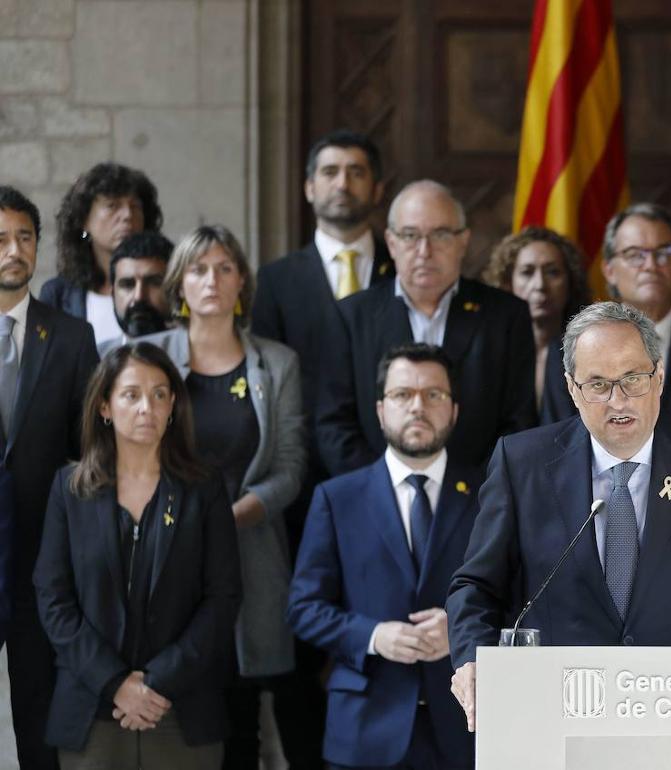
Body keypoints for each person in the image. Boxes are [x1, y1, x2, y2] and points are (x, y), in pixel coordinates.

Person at [446, 301, 671, 731]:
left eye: (633, 379)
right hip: (560, 713)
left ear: (660, 377)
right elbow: (476, 585)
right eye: (597, 384)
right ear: (572, 389)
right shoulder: (522, 462)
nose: (619, 401)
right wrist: (470, 660)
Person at [251, 127, 392, 765]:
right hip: (301, 502)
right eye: (330, 171)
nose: (343, 182)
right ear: (308, 188)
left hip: (397, 493)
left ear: (377, 188)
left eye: (357, 171)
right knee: (303, 658)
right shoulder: (275, 283)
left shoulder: (404, 271)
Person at [141, 224, 307, 767]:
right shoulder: (146, 355)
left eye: (224, 268)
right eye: (197, 269)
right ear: (178, 285)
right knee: (170, 715)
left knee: (241, 723)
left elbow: (289, 468)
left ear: (242, 283)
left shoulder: (276, 363)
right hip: (161, 555)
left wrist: (222, 521)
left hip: (249, 553)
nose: (211, 280)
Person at [33, 342, 242, 768]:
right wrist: (115, 683)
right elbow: (53, 599)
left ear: (173, 408)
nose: (147, 406)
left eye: (160, 394)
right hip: (93, 712)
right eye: (131, 394)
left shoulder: (204, 488)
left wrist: (157, 683)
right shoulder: (69, 489)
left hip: (181, 711)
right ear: (105, 406)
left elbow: (223, 598)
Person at [289, 343, 481, 770]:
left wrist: (461, 632)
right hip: (363, 731)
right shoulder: (336, 498)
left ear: (453, 410)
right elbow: (303, 608)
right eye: (403, 395)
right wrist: (375, 636)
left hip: (466, 727)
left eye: (434, 395)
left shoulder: (491, 496)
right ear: (380, 410)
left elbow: (523, 597)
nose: (418, 406)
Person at [317, 180, 537, 474]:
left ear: (463, 241)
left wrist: (476, 497)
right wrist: (385, 493)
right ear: (391, 243)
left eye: (440, 234)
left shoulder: (506, 316)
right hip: (379, 505)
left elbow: (518, 424)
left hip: (480, 501)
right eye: (410, 235)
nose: (424, 250)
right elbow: (335, 426)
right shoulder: (350, 317)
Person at [0, 186, 100, 770]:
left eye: (25, 237)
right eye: (1, 239)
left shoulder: (69, 336)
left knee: (41, 721)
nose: (14, 250)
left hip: (42, 561)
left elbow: (85, 454)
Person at [542, 202, 671, 423]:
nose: (650, 265)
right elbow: (560, 439)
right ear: (609, 270)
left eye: (663, 252)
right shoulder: (569, 347)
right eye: (635, 254)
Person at [42, 162, 163, 347]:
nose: (127, 215)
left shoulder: (169, 283)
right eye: (112, 206)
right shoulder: (58, 295)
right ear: (84, 221)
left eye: (135, 206)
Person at [482, 226, 590, 409]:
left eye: (552, 272)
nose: (540, 285)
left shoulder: (588, 350)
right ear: (508, 282)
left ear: (571, 282)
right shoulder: (489, 352)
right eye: (527, 272)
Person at [98, 231, 174, 355]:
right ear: (112, 294)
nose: (139, 296)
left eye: (154, 283)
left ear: (176, 289)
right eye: (128, 285)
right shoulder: (93, 360)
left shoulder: (202, 356)